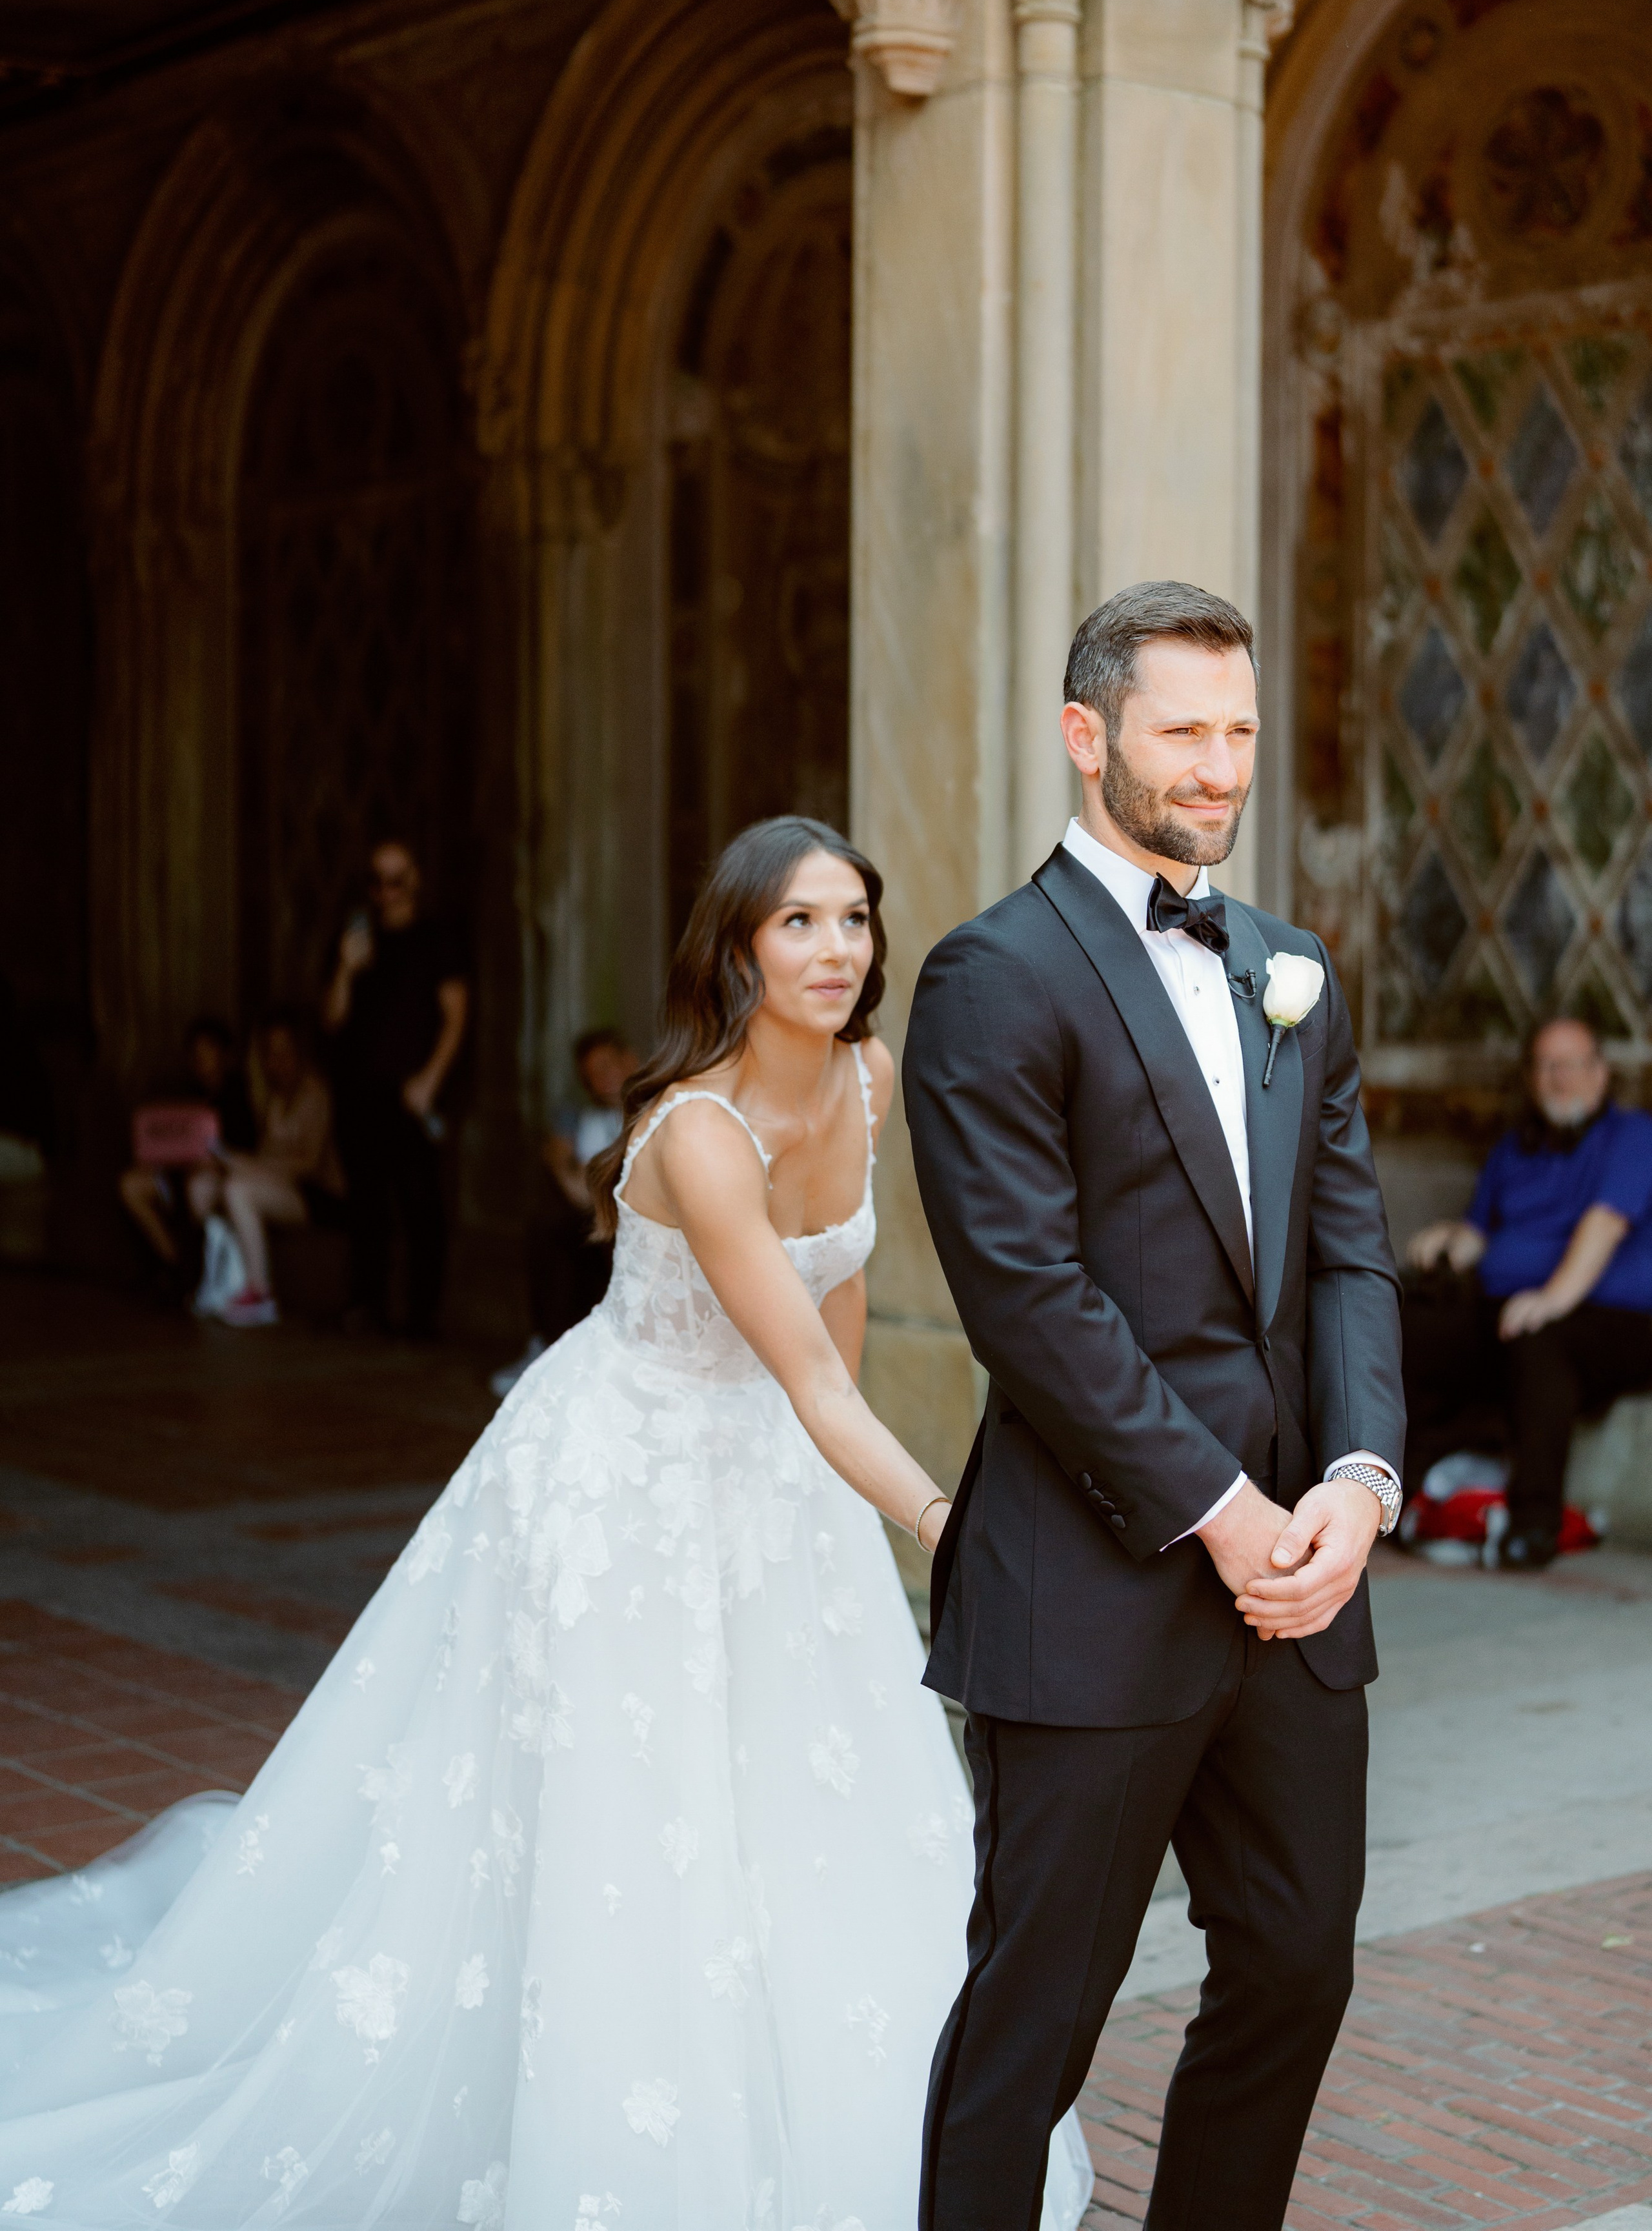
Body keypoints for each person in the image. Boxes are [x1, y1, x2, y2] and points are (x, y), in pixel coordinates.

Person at [0, 814, 1091, 2230]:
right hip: (617, 1480)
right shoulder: (695, 1131)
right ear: (739, 950)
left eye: (854, 921)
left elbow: (838, 1325)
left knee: (799, 1781)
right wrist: (950, 1530)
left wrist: (837, 1520)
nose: (835, 952)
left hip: (771, 1464)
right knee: (619, 1807)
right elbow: (809, 1372)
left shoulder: (870, 1080)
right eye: (798, 924)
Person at [903, 581, 1405, 2231]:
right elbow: (1027, 1300)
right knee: (1029, 2028)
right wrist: (1225, 1509)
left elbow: (1346, 1255)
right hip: (1091, 1588)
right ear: (1085, 734)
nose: (1216, 763)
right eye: (1181, 728)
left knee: (1293, 1965)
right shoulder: (992, 974)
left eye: (1238, 728)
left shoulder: (1291, 971)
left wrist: (1353, 1476)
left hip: (1291, 1598)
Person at [1404, 1015, 1652, 1569]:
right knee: (1406, 1320)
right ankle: (1399, 1492)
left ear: (1600, 1073)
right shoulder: (1514, 1149)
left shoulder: (1633, 1136)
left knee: (1543, 1343)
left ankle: (1533, 1525)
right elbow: (1481, 1234)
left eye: (1570, 1064)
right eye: (1545, 1065)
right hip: (1516, 1312)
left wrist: (1550, 1300)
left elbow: (1604, 1226)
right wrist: (1450, 1240)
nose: (1557, 1078)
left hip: (1615, 1317)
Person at [324, 841, 468, 1338]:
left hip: (412, 1093)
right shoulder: (357, 938)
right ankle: (367, 1306)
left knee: (421, 1204)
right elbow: (332, 1019)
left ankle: (423, 1317)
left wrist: (431, 1080)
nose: (386, 893)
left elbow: (456, 1016)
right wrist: (345, 966)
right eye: (377, 882)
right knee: (367, 1204)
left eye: (396, 880)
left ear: (415, 882)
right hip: (363, 1093)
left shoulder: (437, 939)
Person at [491, 1028, 639, 1399]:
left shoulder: (651, 1111)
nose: (600, 1080)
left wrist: (582, 1178)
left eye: (607, 1067)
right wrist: (566, 1170)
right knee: (548, 1227)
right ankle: (545, 1346)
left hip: (635, 1219)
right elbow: (571, 1185)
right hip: (590, 1217)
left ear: (629, 1062)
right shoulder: (575, 1114)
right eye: (591, 1074)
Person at [186, 1009, 348, 1329]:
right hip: (281, 1184)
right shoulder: (273, 1099)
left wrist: (253, 1166)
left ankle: (260, 1293)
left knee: (238, 1188)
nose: (278, 1062)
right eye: (270, 1054)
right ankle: (219, 1279)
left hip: (318, 1194)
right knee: (204, 1184)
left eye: (285, 1052)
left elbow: (309, 1165)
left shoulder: (316, 1094)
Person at [118, 1016, 257, 1287]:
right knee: (131, 1186)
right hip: (175, 1174)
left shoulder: (239, 1097)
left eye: (209, 1053)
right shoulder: (186, 1093)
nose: (201, 1061)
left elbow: (241, 1152)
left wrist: (215, 1160)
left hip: (214, 1176)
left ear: (225, 1056)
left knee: (199, 1188)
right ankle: (173, 1262)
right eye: (196, 1054)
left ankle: (203, 1273)